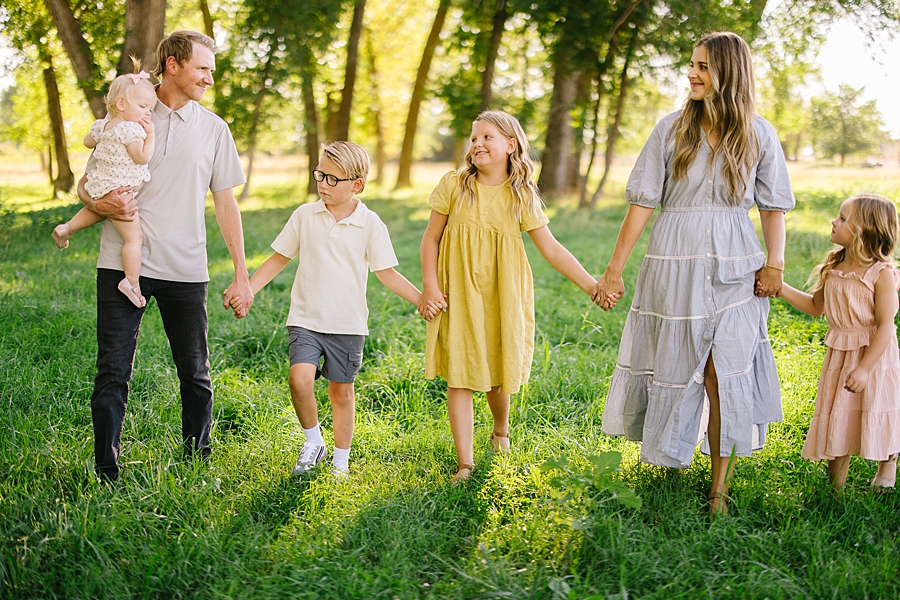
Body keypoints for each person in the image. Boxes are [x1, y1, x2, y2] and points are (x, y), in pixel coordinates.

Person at [592, 32, 795, 517]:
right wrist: (613, 271)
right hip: (673, 260)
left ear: (729, 72)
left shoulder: (760, 133)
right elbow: (642, 203)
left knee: (722, 372)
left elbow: (773, 208)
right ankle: (672, 456)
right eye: (690, 64)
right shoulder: (670, 129)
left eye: (702, 66)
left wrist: (776, 263)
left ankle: (718, 488)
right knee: (679, 364)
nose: (691, 73)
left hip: (736, 263)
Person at [75, 30, 251, 482]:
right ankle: (105, 472)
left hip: (185, 268)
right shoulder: (130, 109)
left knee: (195, 372)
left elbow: (226, 203)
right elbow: (88, 180)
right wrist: (97, 203)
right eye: (203, 68)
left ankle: (198, 460)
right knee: (112, 371)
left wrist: (242, 274)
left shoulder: (214, 129)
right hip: (121, 263)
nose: (210, 78)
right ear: (172, 64)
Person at [420, 110, 597, 484]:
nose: (478, 144)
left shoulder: (520, 194)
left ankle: (500, 429)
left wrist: (592, 285)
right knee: (461, 375)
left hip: (504, 292)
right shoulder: (455, 184)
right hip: (459, 292)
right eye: (474, 138)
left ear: (510, 146)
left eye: (488, 137)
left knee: (499, 375)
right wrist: (431, 286)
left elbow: (551, 249)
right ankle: (465, 463)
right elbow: (431, 238)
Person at [229, 142, 426, 478]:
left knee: (341, 392)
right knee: (299, 379)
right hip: (305, 317)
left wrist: (421, 299)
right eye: (320, 175)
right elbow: (279, 258)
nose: (323, 184)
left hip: (347, 323)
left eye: (334, 179)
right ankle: (312, 442)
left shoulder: (370, 223)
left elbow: (386, 272)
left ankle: (339, 460)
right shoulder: (305, 215)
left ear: (357, 184)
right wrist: (247, 289)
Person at [778, 194, 900, 492]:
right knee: (839, 417)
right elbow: (815, 306)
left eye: (843, 218)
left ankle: (888, 460)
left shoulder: (880, 274)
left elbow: (885, 326)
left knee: (877, 408)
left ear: (864, 230)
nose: (834, 221)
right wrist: (779, 288)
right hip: (839, 353)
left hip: (872, 355)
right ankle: (835, 492)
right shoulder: (834, 265)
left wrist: (864, 369)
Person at [53, 60, 157, 308]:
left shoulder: (103, 125)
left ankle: (67, 228)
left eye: (150, 108)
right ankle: (130, 282)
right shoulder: (131, 131)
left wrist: (103, 134)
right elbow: (141, 156)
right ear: (122, 104)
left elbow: (88, 142)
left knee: (96, 210)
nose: (147, 113)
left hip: (100, 184)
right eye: (143, 106)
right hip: (121, 191)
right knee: (134, 238)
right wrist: (150, 135)